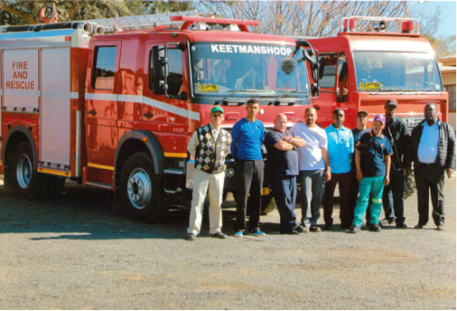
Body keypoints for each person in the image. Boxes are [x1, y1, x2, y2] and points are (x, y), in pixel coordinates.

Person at [406, 103, 455, 231]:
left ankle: (440, 222)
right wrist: (408, 166)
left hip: (436, 168)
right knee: (421, 196)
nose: (428, 112)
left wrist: (450, 166)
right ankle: (422, 221)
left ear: (436, 112)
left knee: (437, 196)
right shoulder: (418, 129)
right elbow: (411, 148)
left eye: (431, 110)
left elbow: (452, 148)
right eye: (426, 110)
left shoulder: (444, 128)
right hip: (420, 168)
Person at [186, 106, 232, 241]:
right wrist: (202, 161)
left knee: (216, 202)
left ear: (223, 118)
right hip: (202, 171)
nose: (217, 118)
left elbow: (226, 151)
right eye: (214, 115)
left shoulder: (226, 135)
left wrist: (217, 162)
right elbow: (191, 147)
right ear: (210, 117)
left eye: (219, 116)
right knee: (198, 201)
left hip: (218, 173)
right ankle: (193, 230)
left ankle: (216, 229)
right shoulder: (200, 132)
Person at [347, 114, 393, 233]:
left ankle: (374, 221)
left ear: (383, 126)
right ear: (372, 124)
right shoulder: (365, 137)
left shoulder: (385, 140)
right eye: (375, 124)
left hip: (380, 175)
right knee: (363, 199)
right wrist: (358, 169)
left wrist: (387, 174)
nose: (377, 127)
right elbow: (357, 153)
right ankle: (357, 223)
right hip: (365, 176)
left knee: (377, 200)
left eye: (380, 125)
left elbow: (388, 158)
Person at [264, 113, 307, 234]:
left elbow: (303, 143)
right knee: (284, 201)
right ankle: (294, 223)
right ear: (274, 122)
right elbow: (281, 146)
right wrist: (293, 144)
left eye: (284, 122)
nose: (283, 124)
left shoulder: (290, 133)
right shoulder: (271, 134)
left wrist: (291, 140)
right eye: (280, 122)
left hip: (292, 172)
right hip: (279, 173)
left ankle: (286, 228)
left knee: (291, 202)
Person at [291, 107, 331, 232]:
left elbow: (324, 151)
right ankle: (306, 222)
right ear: (304, 116)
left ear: (316, 117)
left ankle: (314, 221)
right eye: (307, 115)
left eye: (312, 115)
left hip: (319, 168)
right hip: (305, 169)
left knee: (318, 196)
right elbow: (287, 136)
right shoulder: (297, 128)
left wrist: (327, 168)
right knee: (306, 196)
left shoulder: (321, 132)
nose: (309, 118)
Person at [231, 99, 266, 237]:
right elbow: (234, 144)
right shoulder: (240, 125)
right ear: (246, 108)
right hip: (244, 162)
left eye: (255, 108)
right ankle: (240, 227)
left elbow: (260, 141)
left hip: (258, 161)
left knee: (257, 194)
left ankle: (255, 226)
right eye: (251, 107)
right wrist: (238, 159)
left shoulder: (260, 125)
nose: (253, 110)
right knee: (243, 195)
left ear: (258, 109)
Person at [323, 108, 354, 230]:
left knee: (345, 197)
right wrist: (327, 168)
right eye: (336, 115)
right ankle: (328, 222)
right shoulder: (325, 132)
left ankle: (345, 222)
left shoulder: (348, 132)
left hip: (346, 170)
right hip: (332, 170)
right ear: (332, 117)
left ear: (344, 117)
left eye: (341, 115)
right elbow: (324, 151)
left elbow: (351, 152)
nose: (338, 117)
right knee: (328, 197)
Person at [382, 99, 409, 228]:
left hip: (397, 165)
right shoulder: (380, 124)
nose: (391, 110)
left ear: (396, 110)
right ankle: (389, 216)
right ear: (385, 108)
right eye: (389, 107)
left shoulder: (401, 124)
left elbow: (406, 145)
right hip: (383, 165)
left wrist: (406, 164)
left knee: (398, 194)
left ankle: (400, 219)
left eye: (393, 108)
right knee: (385, 192)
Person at [349, 110, 372, 228]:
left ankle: (369, 220)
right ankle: (353, 220)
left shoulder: (371, 133)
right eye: (360, 117)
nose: (362, 118)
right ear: (356, 119)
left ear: (367, 119)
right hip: (353, 169)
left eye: (364, 116)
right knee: (352, 196)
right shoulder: (351, 133)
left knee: (367, 196)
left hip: (368, 170)